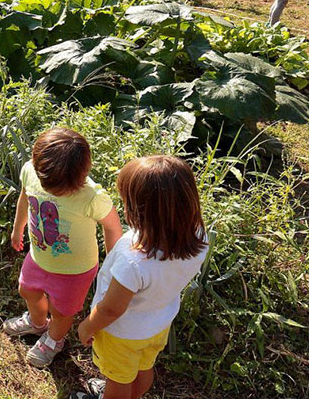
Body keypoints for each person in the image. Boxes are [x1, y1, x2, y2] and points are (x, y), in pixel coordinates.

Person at [72, 156, 209, 399]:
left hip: (121, 333)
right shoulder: (198, 236)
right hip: (157, 324)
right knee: (143, 367)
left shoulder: (134, 258)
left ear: (139, 210)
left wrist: (87, 326)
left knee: (118, 378)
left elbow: (111, 309)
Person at [3, 128, 123, 368]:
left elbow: (112, 227)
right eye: (46, 184)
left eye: (59, 190)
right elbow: (25, 198)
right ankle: (37, 324)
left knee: (62, 312)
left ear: (82, 176)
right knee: (27, 291)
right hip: (38, 256)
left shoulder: (92, 197)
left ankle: (54, 340)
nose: (49, 190)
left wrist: (113, 263)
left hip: (75, 271)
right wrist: (18, 228)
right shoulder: (31, 171)